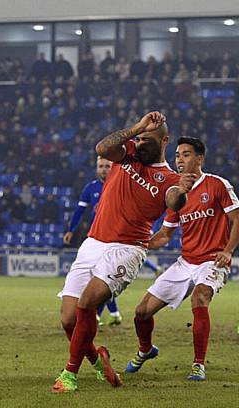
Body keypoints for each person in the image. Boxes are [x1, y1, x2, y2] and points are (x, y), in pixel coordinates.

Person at [53, 111, 196, 393]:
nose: (141, 143)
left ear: (164, 140)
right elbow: (102, 148)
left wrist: (181, 191)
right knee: (68, 319)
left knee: (88, 302)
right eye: (139, 139)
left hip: (127, 248)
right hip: (94, 242)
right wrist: (138, 127)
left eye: (148, 139)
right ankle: (97, 360)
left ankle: (69, 374)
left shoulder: (169, 178)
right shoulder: (127, 152)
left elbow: (174, 201)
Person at [124, 137, 239, 381]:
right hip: (185, 262)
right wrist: (137, 243)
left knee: (199, 299)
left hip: (211, 261)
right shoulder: (176, 196)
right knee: (142, 312)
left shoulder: (217, 185)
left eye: (186, 154)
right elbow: (165, 235)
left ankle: (198, 364)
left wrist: (228, 250)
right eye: (177, 155)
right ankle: (146, 349)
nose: (179, 159)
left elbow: (236, 218)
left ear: (200, 158)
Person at [63, 157, 164, 326]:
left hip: (120, 239)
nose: (103, 169)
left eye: (107, 166)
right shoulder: (91, 188)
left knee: (104, 280)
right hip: (98, 238)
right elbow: (79, 212)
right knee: (99, 279)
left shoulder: (126, 184)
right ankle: (113, 313)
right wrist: (71, 230)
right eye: (100, 166)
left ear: (115, 167)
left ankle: (98, 315)